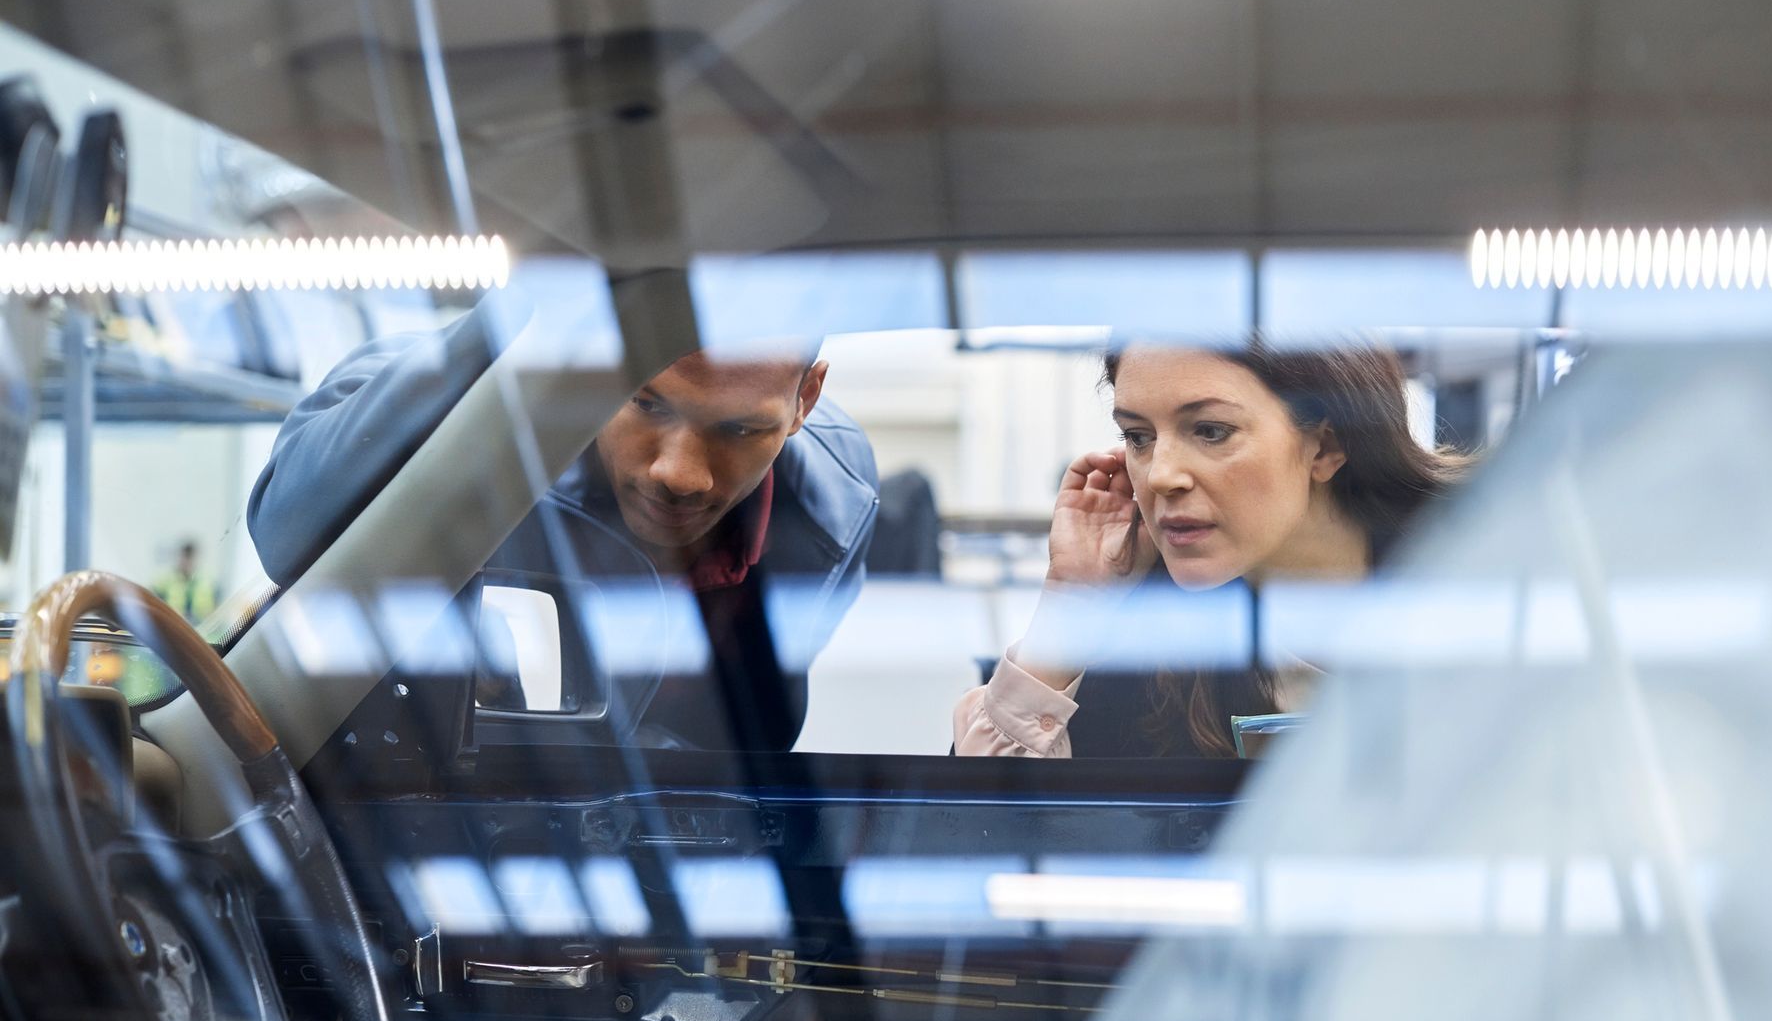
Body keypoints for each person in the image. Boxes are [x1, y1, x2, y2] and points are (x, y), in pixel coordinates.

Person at [249, 300, 879, 752]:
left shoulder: (836, 500)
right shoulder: (461, 402)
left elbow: (742, 747)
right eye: (646, 402)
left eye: (741, 429)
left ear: (806, 400)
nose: (679, 474)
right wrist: (526, 314)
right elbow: (284, 535)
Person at [954, 340, 1462, 758]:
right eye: (1137, 436)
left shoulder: (1483, 580)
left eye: (1211, 431)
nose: (1160, 475)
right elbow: (967, 838)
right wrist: (1071, 605)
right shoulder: (1148, 638)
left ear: (1325, 447)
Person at [152, 539, 218, 624]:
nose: (187, 562)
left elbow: (214, 610)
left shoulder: (208, 580)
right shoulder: (165, 579)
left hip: (201, 628)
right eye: (185, 557)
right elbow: (153, 601)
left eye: (190, 557)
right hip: (174, 625)